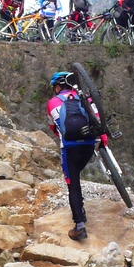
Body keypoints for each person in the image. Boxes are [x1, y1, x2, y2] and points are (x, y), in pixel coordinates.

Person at [46, 71, 96, 240]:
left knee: (73, 184)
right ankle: (80, 209)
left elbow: (53, 128)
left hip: (69, 148)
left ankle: (79, 226)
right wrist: (103, 139)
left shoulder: (52, 103)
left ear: (57, 87)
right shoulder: (85, 97)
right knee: (78, 171)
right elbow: (97, 118)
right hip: (88, 145)